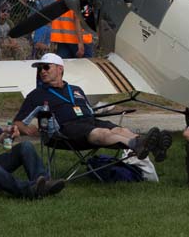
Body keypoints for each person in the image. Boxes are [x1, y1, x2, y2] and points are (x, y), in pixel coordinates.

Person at [14, 53, 172, 161]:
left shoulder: (76, 89)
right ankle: (137, 144)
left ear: (60, 69)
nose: (42, 71)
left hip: (90, 120)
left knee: (119, 130)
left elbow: (90, 111)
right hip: (65, 130)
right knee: (101, 132)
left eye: (46, 67)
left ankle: (151, 146)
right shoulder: (36, 95)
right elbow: (18, 122)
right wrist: (27, 130)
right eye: (40, 69)